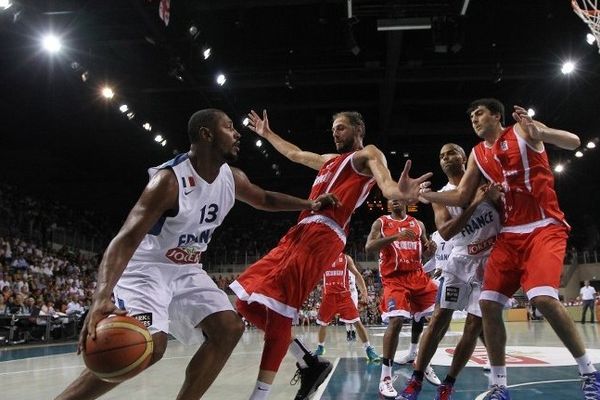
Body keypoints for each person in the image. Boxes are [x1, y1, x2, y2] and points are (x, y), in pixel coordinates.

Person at [54, 108, 340, 400]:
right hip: (147, 269)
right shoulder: (168, 182)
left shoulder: (232, 178)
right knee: (147, 346)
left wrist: (311, 203)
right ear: (206, 134)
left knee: (228, 328)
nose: (237, 133)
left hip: (188, 269)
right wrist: (102, 296)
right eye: (229, 127)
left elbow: (265, 198)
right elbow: (124, 240)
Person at [230, 109, 431, 400]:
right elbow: (296, 154)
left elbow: (386, 185)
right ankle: (308, 362)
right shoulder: (329, 161)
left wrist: (399, 193)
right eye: (333, 129)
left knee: (280, 308)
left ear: (358, 129)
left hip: (325, 233)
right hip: (299, 230)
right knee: (246, 302)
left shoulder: (367, 155)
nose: (334, 133)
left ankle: (259, 395)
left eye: (340, 128)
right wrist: (267, 134)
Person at [420, 99, 600, 399]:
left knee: (542, 297)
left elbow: (574, 141)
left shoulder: (522, 130)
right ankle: (499, 386)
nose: (475, 119)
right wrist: (425, 196)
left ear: (496, 116)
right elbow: (463, 194)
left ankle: (589, 373)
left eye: (479, 113)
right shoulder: (478, 154)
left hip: (544, 225)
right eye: (472, 116)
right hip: (511, 232)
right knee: (488, 304)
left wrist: (543, 134)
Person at [397, 143, 501, 400]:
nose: (446, 158)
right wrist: (476, 204)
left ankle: (448, 385)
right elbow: (445, 232)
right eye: (441, 155)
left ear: (463, 157)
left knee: (474, 326)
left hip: (491, 261)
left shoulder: (486, 181)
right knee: (439, 319)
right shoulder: (442, 196)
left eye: (451, 153)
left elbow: (506, 215)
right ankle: (416, 379)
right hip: (460, 260)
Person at [365, 199, 439, 399]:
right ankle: (386, 378)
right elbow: (369, 246)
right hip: (394, 278)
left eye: (398, 196)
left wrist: (430, 248)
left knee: (436, 319)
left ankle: (420, 360)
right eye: (390, 197)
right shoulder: (381, 222)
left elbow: (425, 250)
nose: (394, 200)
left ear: (406, 200)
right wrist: (395, 236)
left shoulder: (418, 224)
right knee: (396, 320)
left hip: (417, 275)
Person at [313, 253, 380, 362]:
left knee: (357, 322)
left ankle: (368, 349)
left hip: (344, 296)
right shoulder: (323, 257)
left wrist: (364, 290)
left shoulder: (346, 258)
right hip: (329, 296)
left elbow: (357, 275)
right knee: (322, 323)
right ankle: (320, 347)